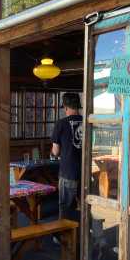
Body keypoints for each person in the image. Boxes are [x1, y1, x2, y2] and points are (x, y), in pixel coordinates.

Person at [51, 92, 83, 220]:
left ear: (65, 107)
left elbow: (56, 151)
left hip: (68, 171)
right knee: (87, 205)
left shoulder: (61, 123)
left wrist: (54, 151)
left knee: (65, 206)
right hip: (85, 171)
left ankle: (63, 237)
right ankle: (98, 237)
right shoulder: (87, 121)